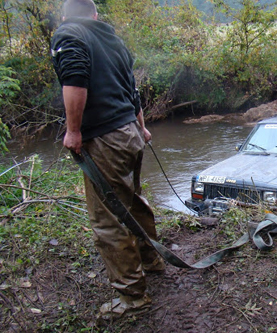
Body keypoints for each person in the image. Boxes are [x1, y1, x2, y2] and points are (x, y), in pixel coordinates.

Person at [51, 0, 165, 319]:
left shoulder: (68, 34)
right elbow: (132, 90)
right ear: (95, 14)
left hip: (104, 138)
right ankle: (152, 261)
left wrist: (73, 132)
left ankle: (132, 297)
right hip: (130, 132)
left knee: (108, 218)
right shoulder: (112, 39)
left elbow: (74, 82)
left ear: (64, 15)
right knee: (132, 201)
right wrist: (141, 128)